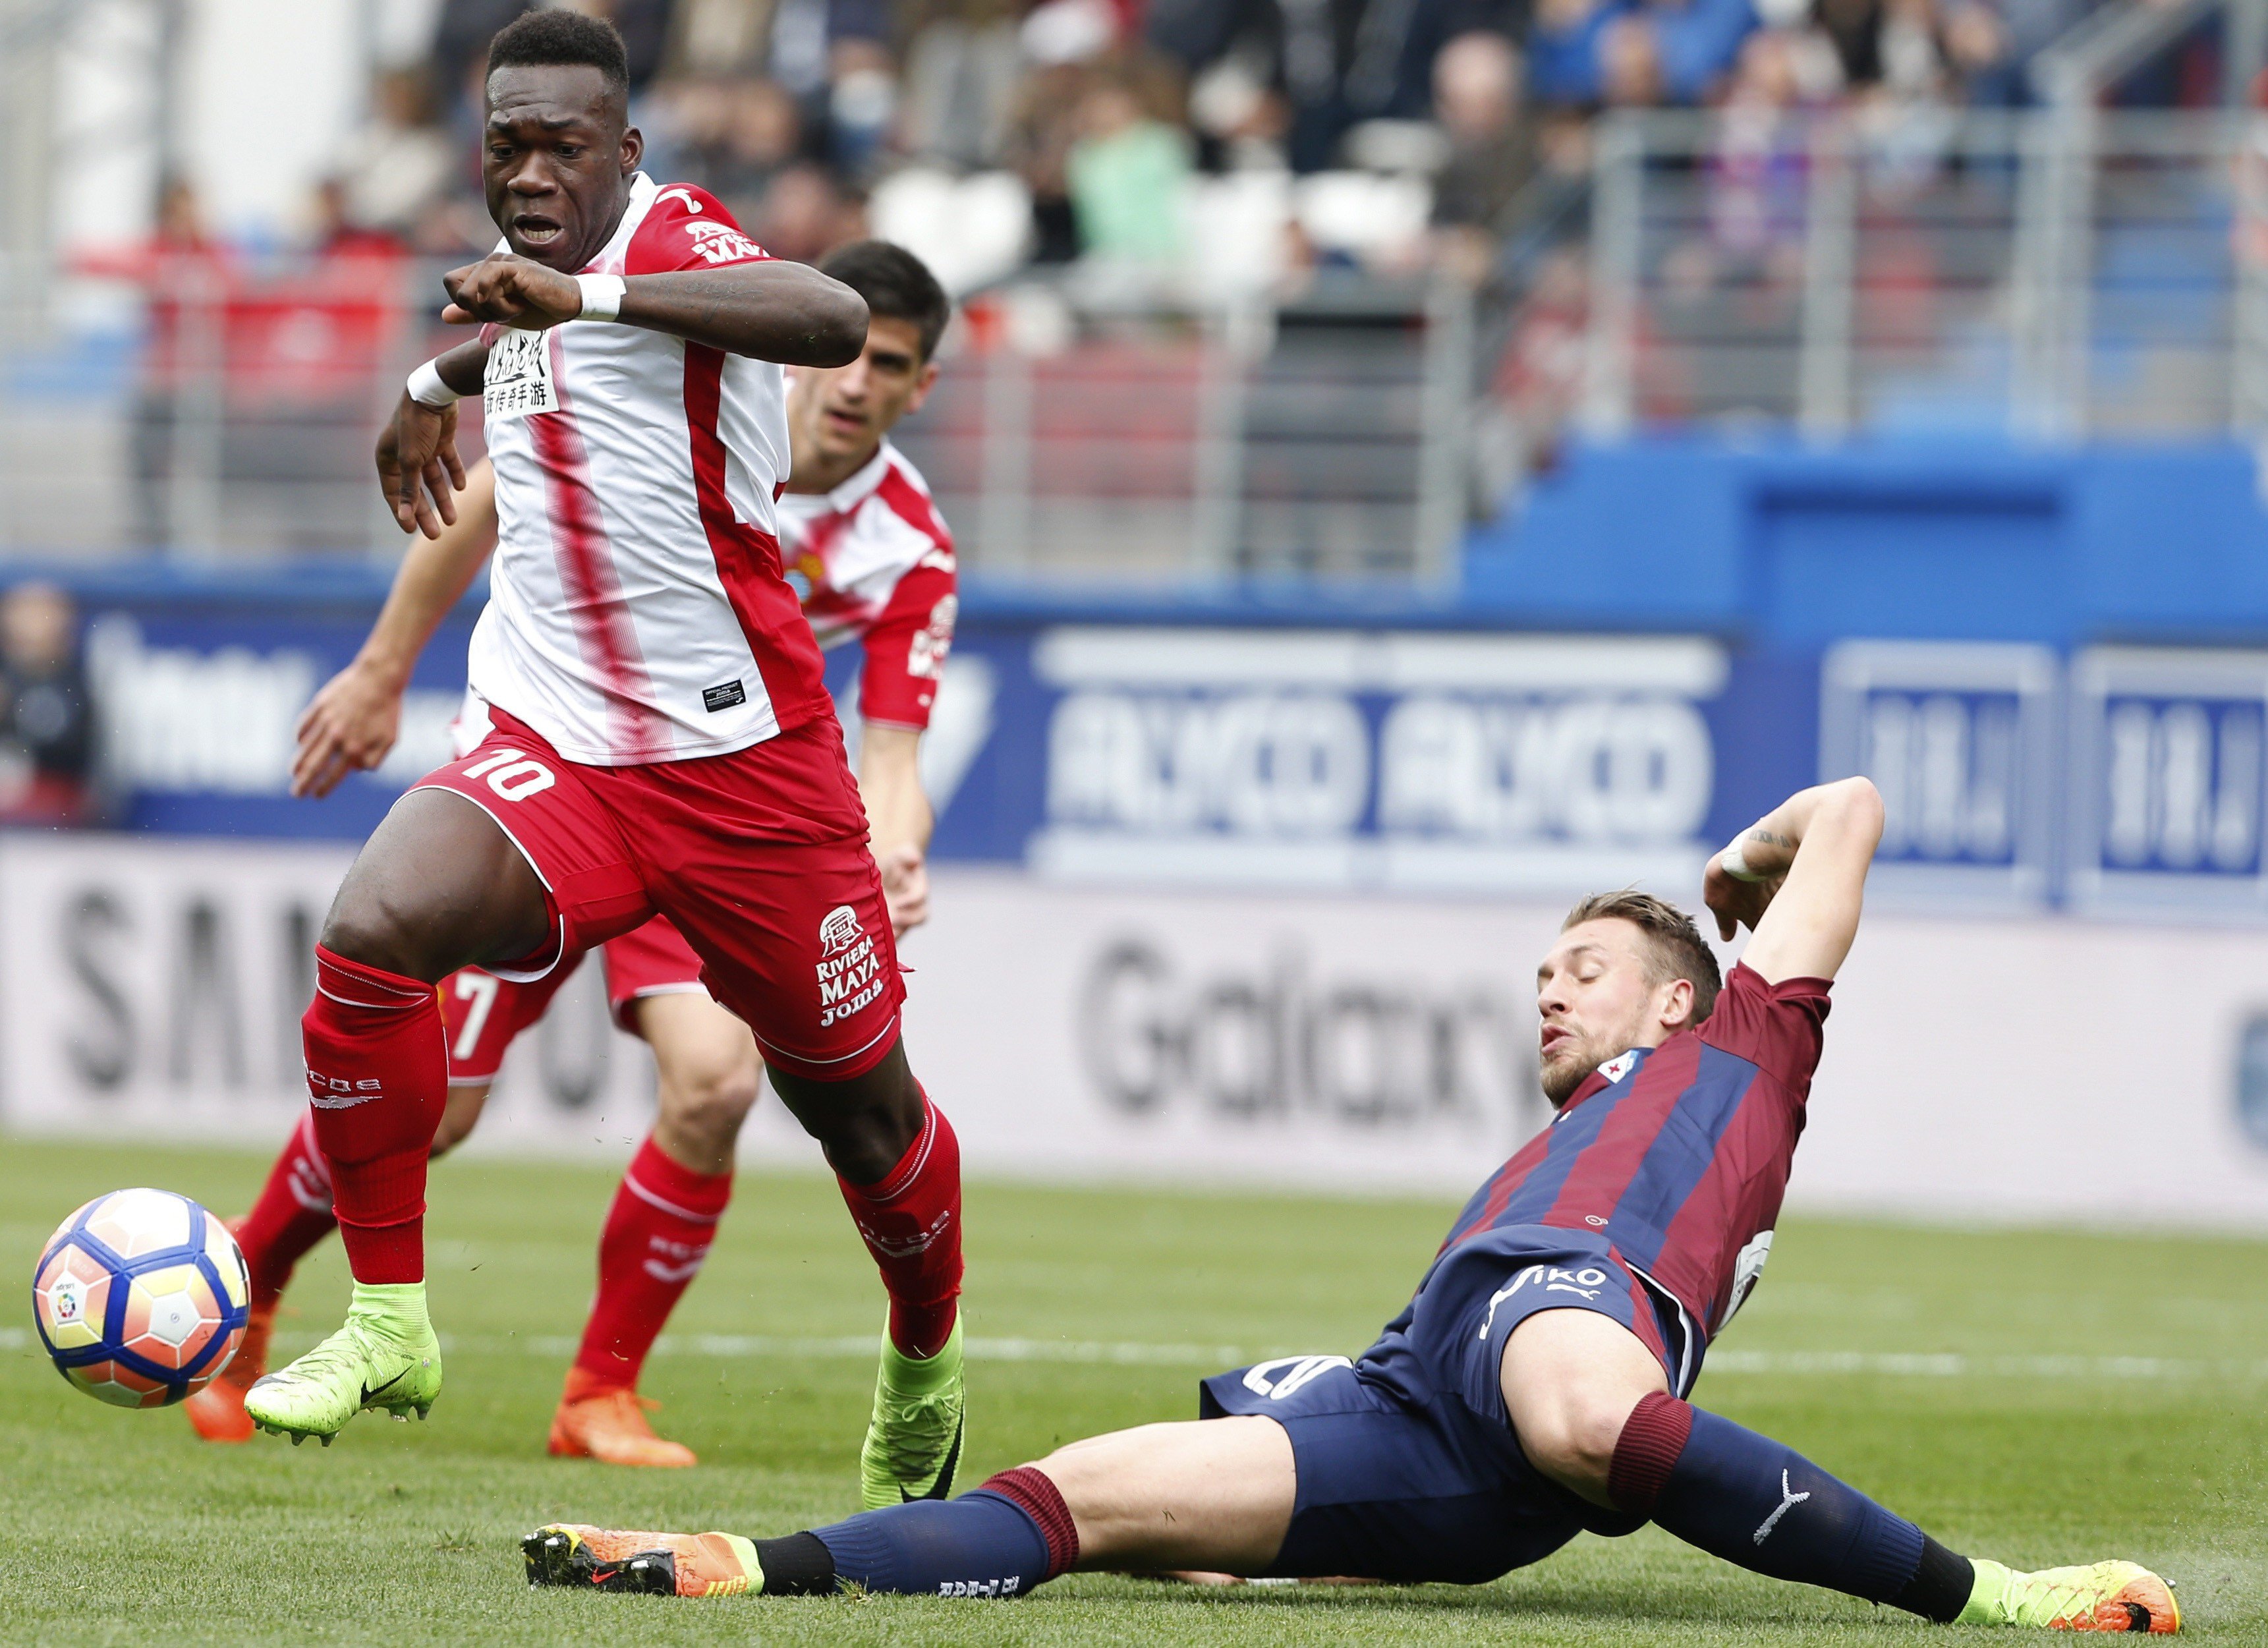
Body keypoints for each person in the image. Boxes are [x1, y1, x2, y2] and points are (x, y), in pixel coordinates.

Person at [519, 777, 2181, 1635]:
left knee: (1584, 1399)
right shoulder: (1590, 1108)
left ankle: (1983, 1596)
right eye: (1539, 972)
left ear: (1679, 999)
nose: (1547, 994)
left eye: (1582, 970)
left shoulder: (1751, 1041)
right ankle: (734, 1563)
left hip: (1576, 1318)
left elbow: (1856, 812)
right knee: (1080, 1494)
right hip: (1418, 1395)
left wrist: (1736, 883)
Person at [237, 11, 969, 1512]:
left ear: (623, 153)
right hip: (559, 749)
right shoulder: (526, 297)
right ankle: (385, 1321)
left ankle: (921, 1359)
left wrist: (567, 293)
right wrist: (433, 389)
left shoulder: (675, 239)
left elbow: (828, 315)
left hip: (746, 773)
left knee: (862, 1115)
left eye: (563, 144)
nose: (529, 169)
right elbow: (530, 352)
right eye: (506, 142)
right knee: (375, 932)